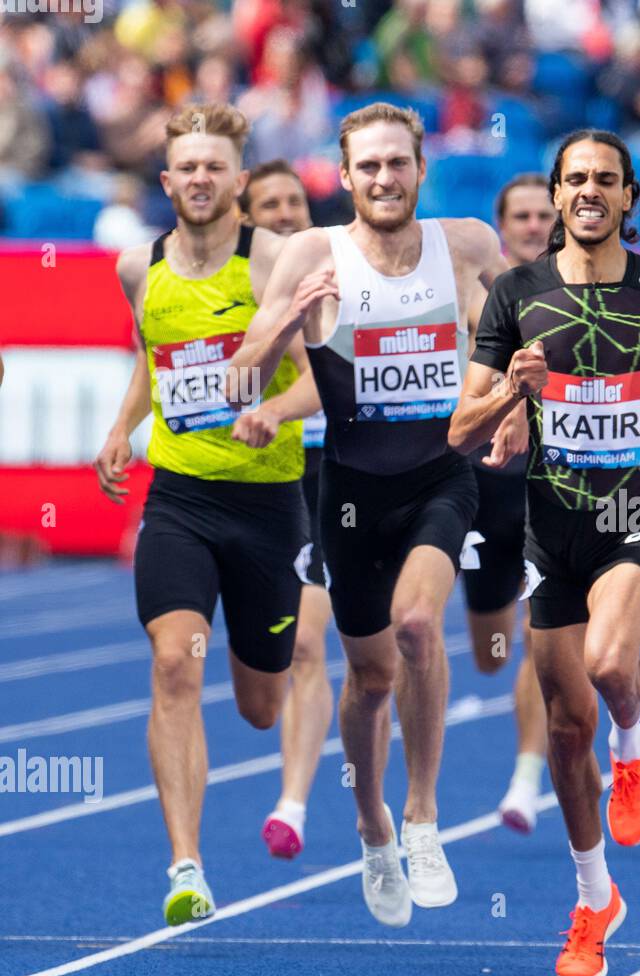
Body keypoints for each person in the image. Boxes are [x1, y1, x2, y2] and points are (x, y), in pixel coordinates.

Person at [227, 102, 508, 925]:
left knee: (420, 626)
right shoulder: (315, 253)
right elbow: (240, 379)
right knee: (372, 675)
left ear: (422, 167)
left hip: (440, 476)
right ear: (344, 176)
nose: (385, 179)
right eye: (369, 167)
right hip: (350, 495)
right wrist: (279, 325)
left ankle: (423, 817)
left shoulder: (467, 245)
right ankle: (371, 820)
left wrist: (512, 396)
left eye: (398, 163)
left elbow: (522, 316)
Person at [450, 130, 640, 976]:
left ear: (630, 198)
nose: (590, 191)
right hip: (549, 520)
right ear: (555, 197)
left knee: (610, 663)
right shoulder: (515, 292)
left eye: (606, 180)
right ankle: (594, 899)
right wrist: (512, 393)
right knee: (562, 723)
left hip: (632, 505)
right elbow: (459, 428)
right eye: (575, 179)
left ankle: (634, 746)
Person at [93, 103, 312, 924]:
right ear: (166, 179)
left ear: (240, 180)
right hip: (179, 500)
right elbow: (154, 357)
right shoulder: (136, 268)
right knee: (175, 662)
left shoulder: (274, 264)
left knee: (260, 706)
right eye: (186, 166)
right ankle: (186, 865)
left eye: (214, 166)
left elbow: (327, 378)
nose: (199, 178)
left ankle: (264, 676)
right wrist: (122, 429)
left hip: (267, 507)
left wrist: (275, 410)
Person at [239, 158, 337, 860]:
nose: (281, 213)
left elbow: (332, 386)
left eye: (292, 201)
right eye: (267, 203)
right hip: (251, 481)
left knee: (308, 642)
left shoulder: (340, 273)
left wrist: (276, 405)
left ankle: (293, 800)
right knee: (262, 681)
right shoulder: (234, 282)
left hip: (333, 473)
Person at [464, 172, 554, 832]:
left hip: (555, 483)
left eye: (542, 214)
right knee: (492, 650)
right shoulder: (482, 297)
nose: (533, 225)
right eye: (520, 215)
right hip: (488, 486)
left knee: (539, 635)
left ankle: (526, 777)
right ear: (501, 226)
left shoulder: (588, 292)